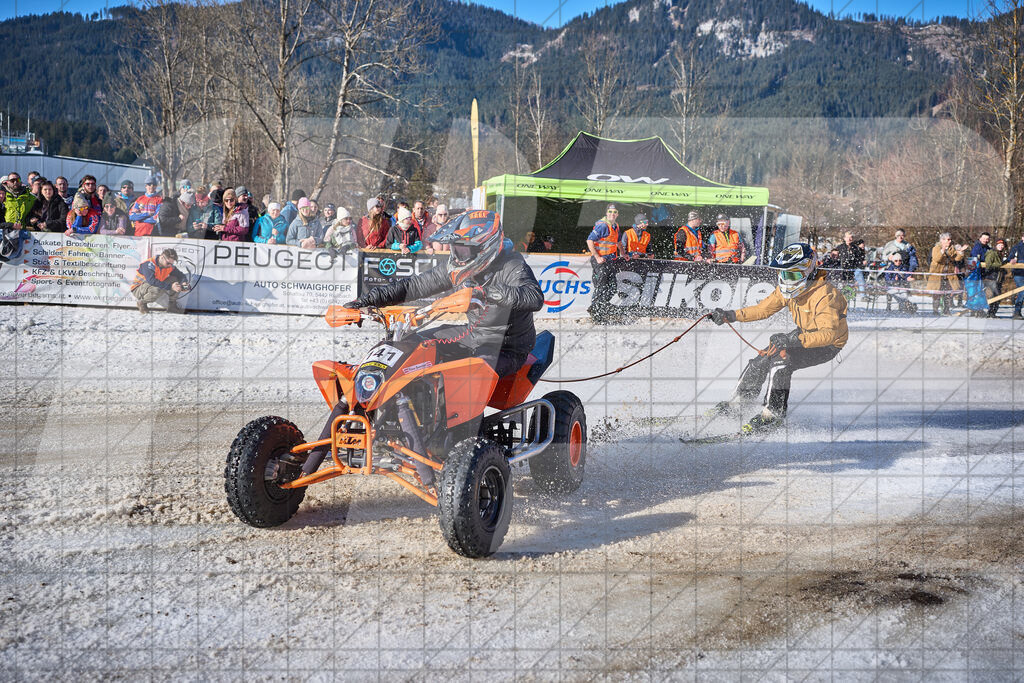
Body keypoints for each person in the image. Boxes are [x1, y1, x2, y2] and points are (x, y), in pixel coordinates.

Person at [337, 210, 543, 484]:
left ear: (486, 247)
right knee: (409, 344)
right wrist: (365, 301)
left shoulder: (512, 265)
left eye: (463, 248)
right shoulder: (457, 267)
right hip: (470, 334)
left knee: (469, 373)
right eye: (455, 247)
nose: (457, 254)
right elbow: (412, 286)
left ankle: (457, 441)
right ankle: (387, 417)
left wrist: (485, 292)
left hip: (506, 345)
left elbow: (533, 297)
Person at [708, 243, 848, 434]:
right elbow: (763, 309)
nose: (786, 280)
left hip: (828, 345)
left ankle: (772, 415)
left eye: (792, 275)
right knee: (764, 357)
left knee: (781, 360)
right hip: (803, 334)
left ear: (808, 269)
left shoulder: (825, 294)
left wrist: (793, 341)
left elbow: (829, 334)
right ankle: (739, 404)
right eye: (783, 274)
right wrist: (730, 315)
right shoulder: (787, 290)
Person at [586, 203, 621, 323]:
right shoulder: (602, 226)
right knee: (600, 287)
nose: (612, 214)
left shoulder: (615, 226)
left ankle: (597, 308)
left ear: (617, 214)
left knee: (612, 287)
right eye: (610, 212)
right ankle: (596, 314)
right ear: (606, 213)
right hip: (600, 261)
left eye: (615, 212)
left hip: (610, 261)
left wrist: (623, 253)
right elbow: (589, 240)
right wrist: (596, 256)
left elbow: (618, 242)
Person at [130, 248, 189, 314]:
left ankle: (172, 306)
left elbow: (180, 275)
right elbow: (152, 281)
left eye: (171, 263)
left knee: (175, 280)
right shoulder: (149, 264)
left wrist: (184, 283)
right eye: (168, 263)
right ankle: (142, 303)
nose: (170, 265)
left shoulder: (169, 266)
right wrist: (171, 287)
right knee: (158, 288)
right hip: (138, 288)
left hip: (152, 285)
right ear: (162, 257)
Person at [927, 232, 967, 316]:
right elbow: (937, 258)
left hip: (948, 275)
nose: (950, 241)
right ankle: (935, 310)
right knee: (937, 294)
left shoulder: (952, 248)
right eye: (948, 239)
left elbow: (956, 259)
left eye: (950, 239)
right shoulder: (936, 248)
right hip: (937, 276)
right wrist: (943, 250)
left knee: (947, 294)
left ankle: (946, 310)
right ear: (942, 240)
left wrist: (961, 252)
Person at [982, 238, 1008, 317]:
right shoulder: (992, 253)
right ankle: (991, 312)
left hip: (998, 278)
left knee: (996, 296)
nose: (1001, 246)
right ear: (996, 245)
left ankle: (992, 312)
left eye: (1002, 245)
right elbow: (988, 265)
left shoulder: (1001, 253)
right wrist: (999, 265)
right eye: (999, 245)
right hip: (991, 277)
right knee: (997, 295)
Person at [1006, 234, 1024, 319]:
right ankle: (1017, 312)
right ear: (1022, 237)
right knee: (1022, 292)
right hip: (1019, 273)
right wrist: (1011, 260)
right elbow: (1010, 257)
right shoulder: (1017, 247)